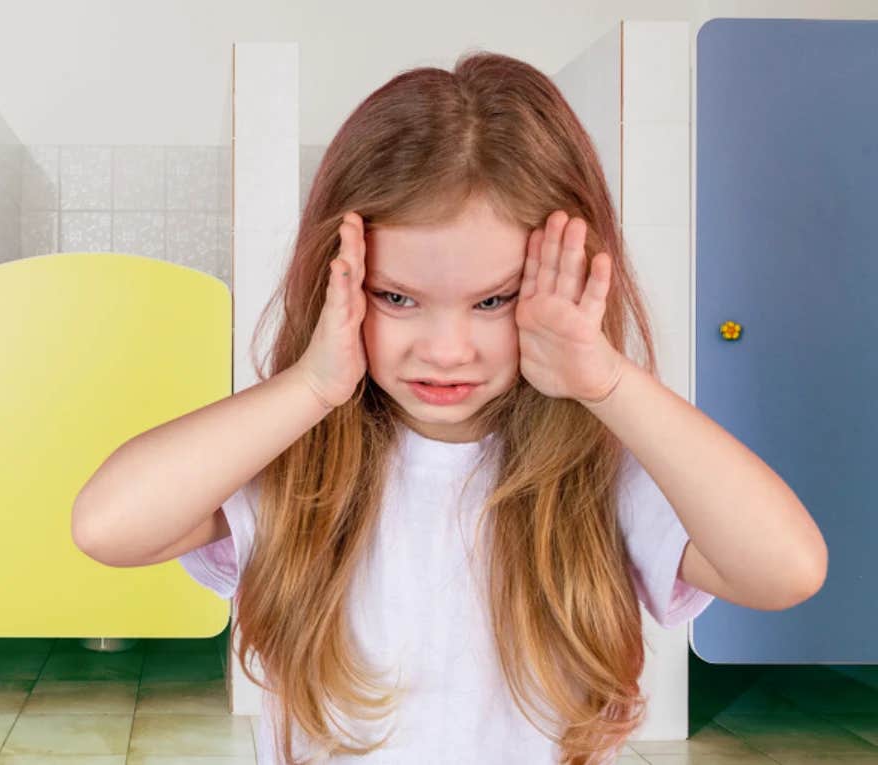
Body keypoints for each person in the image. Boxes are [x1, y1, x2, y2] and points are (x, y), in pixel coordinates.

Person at [71, 50, 828, 764]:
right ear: (337, 278)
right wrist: (309, 387)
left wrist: (606, 381)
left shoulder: (600, 471)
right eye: (397, 297)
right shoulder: (295, 464)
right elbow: (106, 524)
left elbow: (786, 569)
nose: (446, 348)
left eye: (492, 299)